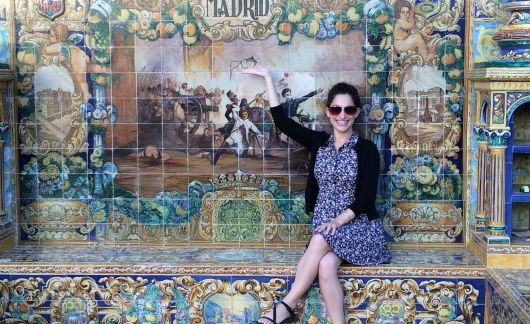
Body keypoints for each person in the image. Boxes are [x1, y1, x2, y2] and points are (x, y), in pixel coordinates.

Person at [243, 67, 391, 324]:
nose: (342, 116)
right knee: (325, 265)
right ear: (328, 112)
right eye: (336, 109)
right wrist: (268, 78)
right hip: (326, 228)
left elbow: (366, 199)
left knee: (321, 238)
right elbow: (282, 122)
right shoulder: (318, 142)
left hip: (359, 228)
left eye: (348, 110)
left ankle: (286, 307)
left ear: (356, 113)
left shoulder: (366, 150)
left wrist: (337, 222)